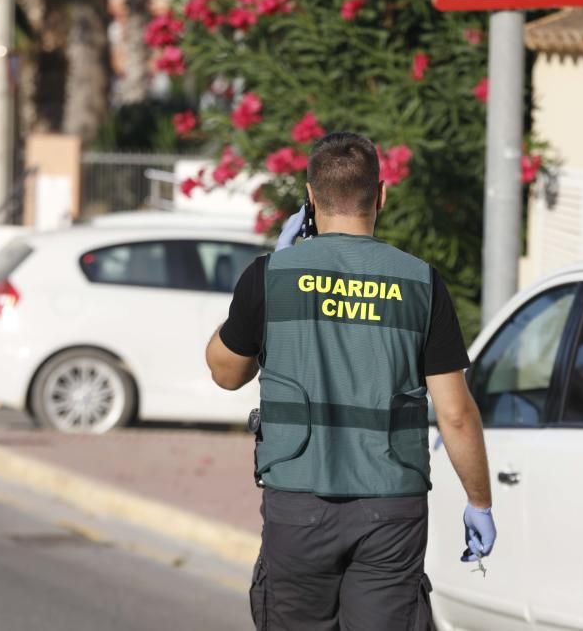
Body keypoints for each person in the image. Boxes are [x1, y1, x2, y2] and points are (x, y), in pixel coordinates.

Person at [204, 132, 495, 630]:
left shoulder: (270, 276)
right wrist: (480, 502)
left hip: (298, 504)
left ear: (311, 197)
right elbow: (456, 415)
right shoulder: (422, 283)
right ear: (381, 195)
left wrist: (265, 288)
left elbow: (226, 372)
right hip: (391, 510)